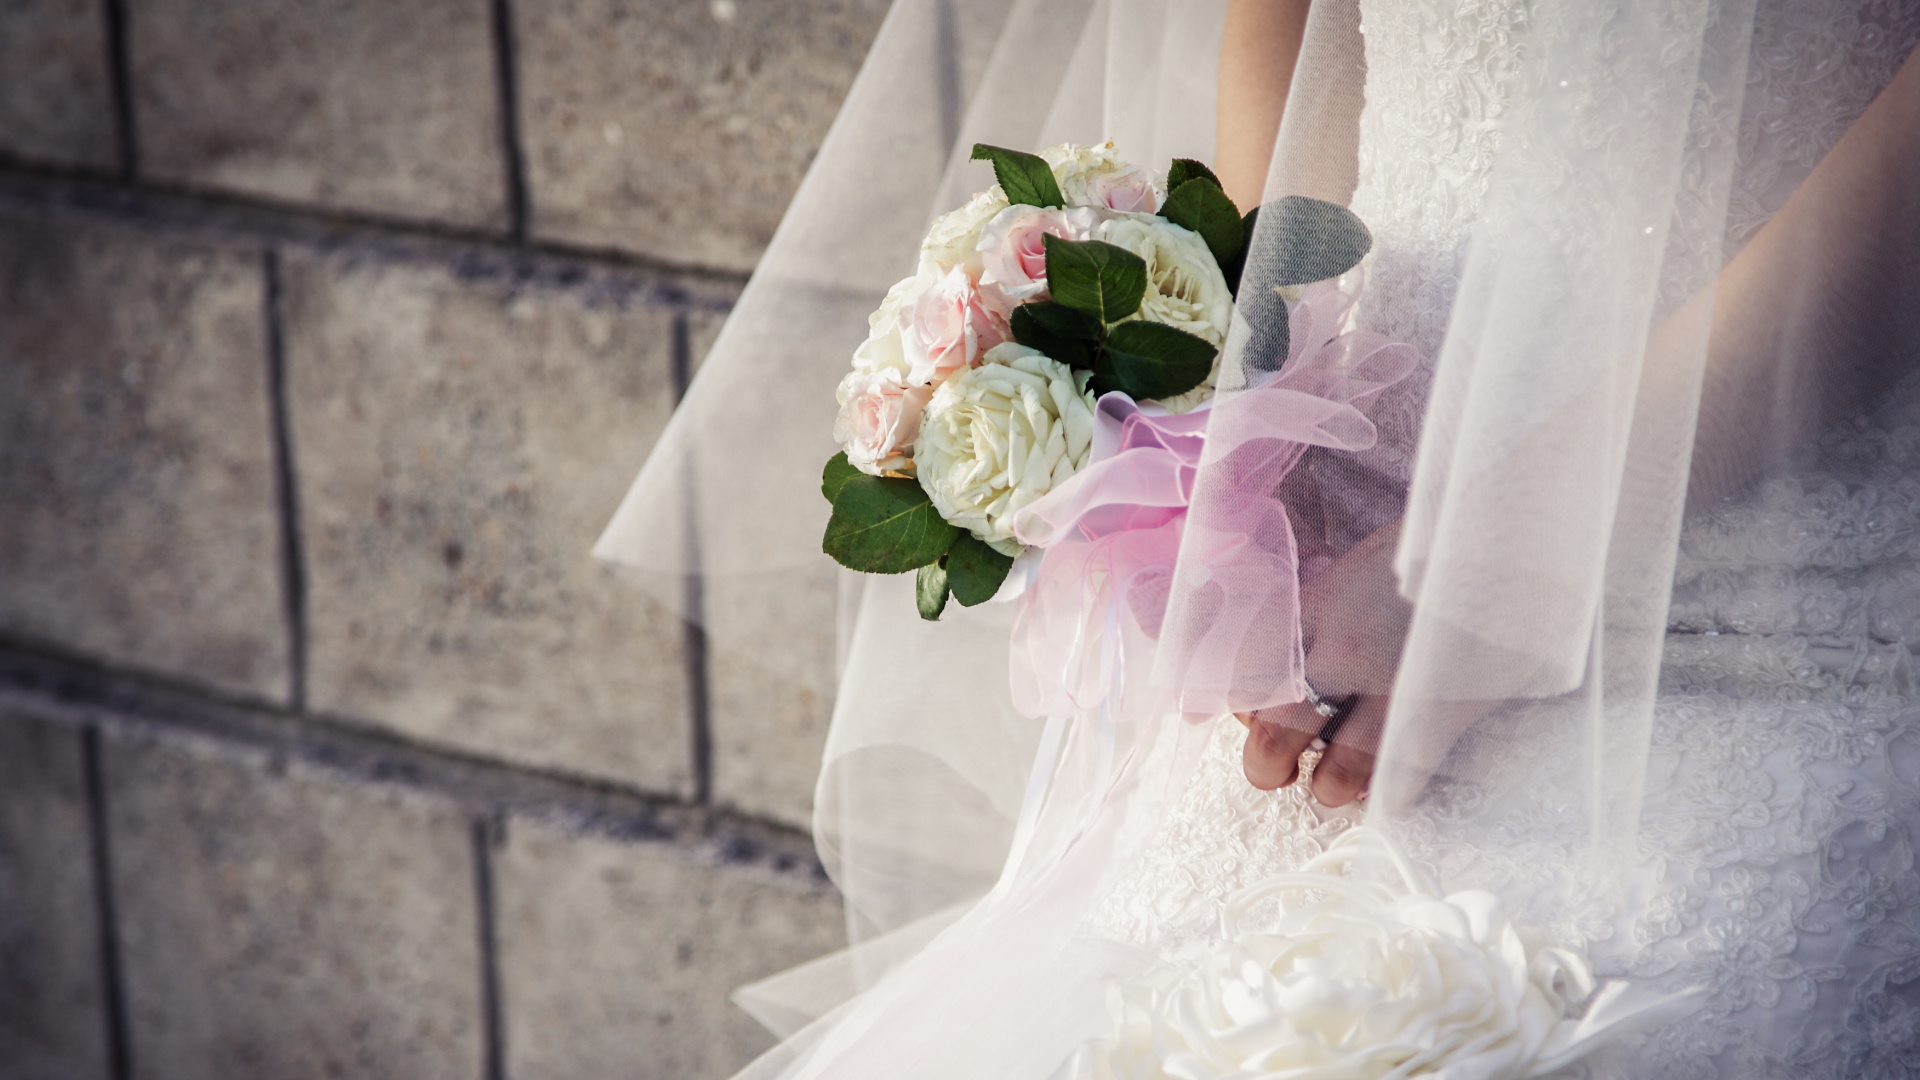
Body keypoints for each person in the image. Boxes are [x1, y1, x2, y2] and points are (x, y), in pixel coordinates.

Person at [596, 0, 1920, 1076]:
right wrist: (1258, 417)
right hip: (1331, 587)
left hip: (1766, 584)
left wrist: (1511, 549)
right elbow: (1285, 26)